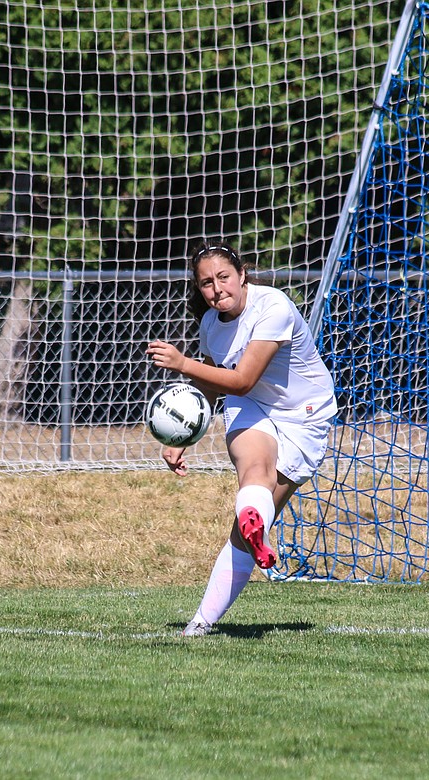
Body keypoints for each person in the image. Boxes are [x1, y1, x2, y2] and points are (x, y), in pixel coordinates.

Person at [146, 240, 337, 637]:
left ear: (243, 274)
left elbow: (243, 377)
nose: (217, 290)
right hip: (249, 404)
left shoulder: (273, 306)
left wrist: (183, 363)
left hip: (305, 414)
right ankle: (252, 530)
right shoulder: (211, 326)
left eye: (223, 277)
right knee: (254, 472)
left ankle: (202, 621)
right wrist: (185, 437)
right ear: (198, 289)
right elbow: (218, 387)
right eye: (206, 283)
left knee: (246, 520)